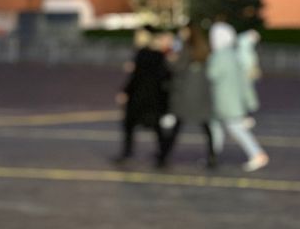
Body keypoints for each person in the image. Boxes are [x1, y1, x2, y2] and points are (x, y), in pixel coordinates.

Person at [207, 20, 269, 172]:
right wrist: (249, 102)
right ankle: (213, 154)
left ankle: (256, 153)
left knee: (231, 128)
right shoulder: (235, 55)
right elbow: (244, 81)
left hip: (223, 100)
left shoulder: (219, 56)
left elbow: (210, 76)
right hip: (233, 100)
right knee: (220, 127)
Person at [158, 22, 216, 167]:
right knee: (206, 126)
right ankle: (212, 156)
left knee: (176, 126)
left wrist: (167, 56)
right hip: (201, 94)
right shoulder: (203, 48)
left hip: (186, 94)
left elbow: (177, 67)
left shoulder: (186, 47)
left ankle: (164, 156)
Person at [114, 28, 171, 165]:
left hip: (140, 97)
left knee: (130, 125)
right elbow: (166, 75)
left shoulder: (141, 54)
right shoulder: (159, 55)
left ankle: (127, 153)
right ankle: (162, 156)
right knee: (156, 128)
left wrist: (125, 92)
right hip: (155, 96)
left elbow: (136, 77)